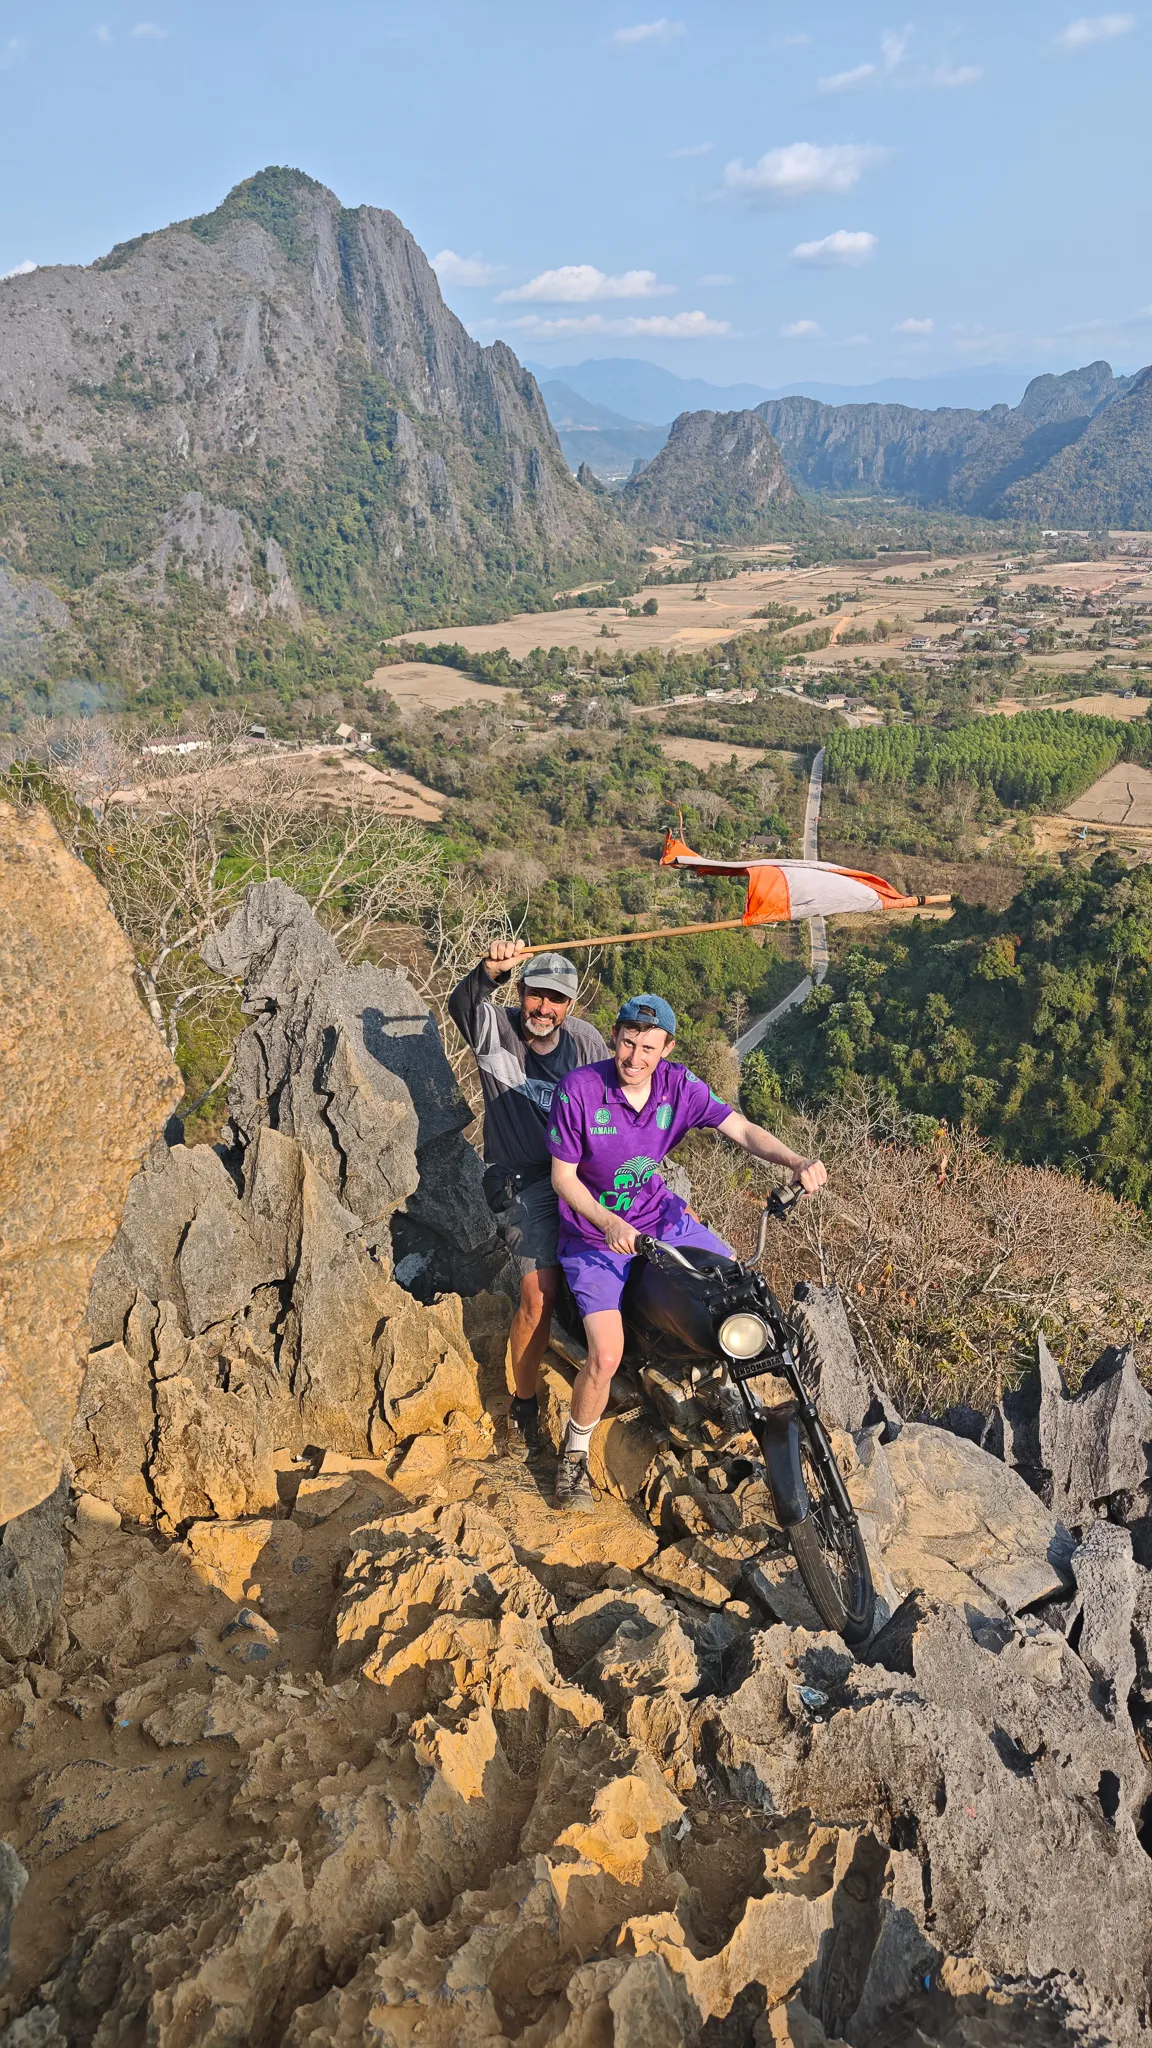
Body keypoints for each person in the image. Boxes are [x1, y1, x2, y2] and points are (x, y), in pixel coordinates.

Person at [547, 993, 827, 1511]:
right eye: (628, 1043)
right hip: (593, 1236)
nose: (635, 1058)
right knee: (606, 1354)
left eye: (648, 1048)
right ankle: (574, 1451)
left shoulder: (679, 1086)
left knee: (737, 1290)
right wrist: (608, 1221)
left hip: (664, 1219)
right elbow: (562, 1177)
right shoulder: (580, 1091)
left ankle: (740, 1399)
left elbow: (740, 1128)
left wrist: (795, 1159)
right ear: (614, 1037)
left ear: (667, 1049)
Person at [448, 937, 608, 1456]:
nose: (544, 1008)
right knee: (539, 1296)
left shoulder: (585, 1044)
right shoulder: (496, 1029)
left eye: (556, 999)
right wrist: (488, 971)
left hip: (580, 1172)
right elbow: (462, 1004)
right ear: (520, 992)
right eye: (535, 995)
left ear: (570, 1005)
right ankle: (524, 1405)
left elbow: (612, 1108)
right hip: (523, 1178)